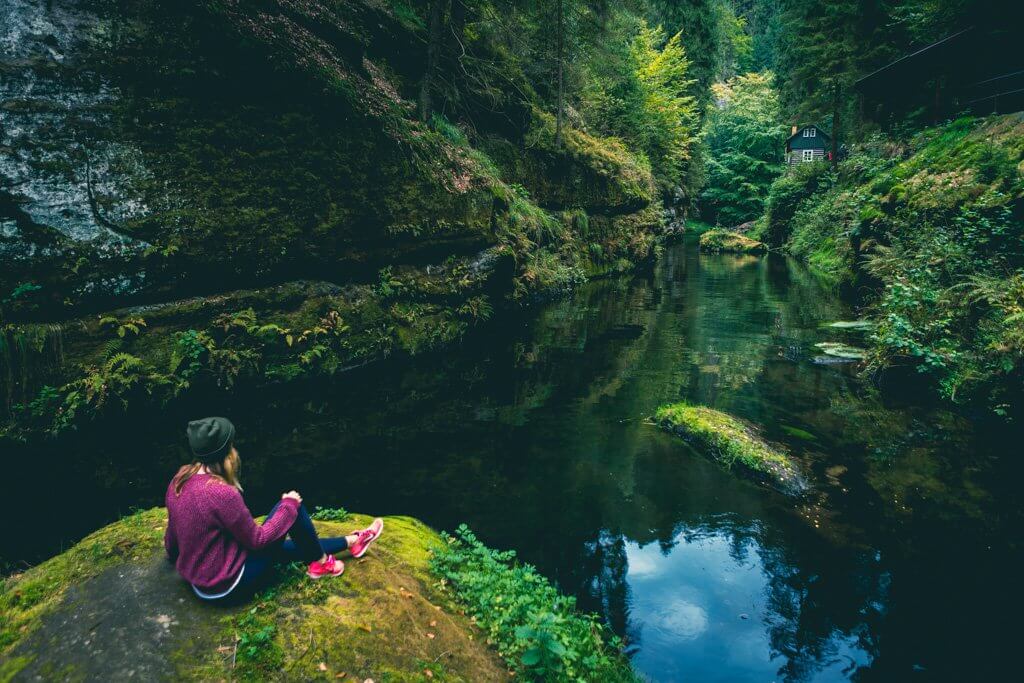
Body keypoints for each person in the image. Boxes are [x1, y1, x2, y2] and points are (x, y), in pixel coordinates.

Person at [164, 416, 383, 603]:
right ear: (226, 453)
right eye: (231, 445)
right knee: (290, 508)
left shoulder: (180, 478)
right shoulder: (221, 493)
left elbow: (172, 539)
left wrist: (176, 557)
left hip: (201, 584)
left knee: (285, 541)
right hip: (230, 585)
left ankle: (351, 542)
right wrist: (289, 506)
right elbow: (258, 541)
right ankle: (321, 563)